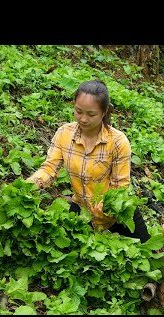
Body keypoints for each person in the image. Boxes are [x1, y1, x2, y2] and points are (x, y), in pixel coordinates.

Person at [26, 79, 150, 243]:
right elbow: (49, 169)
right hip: (82, 211)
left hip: (116, 214)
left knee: (147, 251)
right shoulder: (64, 133)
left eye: (91, 114)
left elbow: (120, 186)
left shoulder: (118, 142)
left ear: (104, 111)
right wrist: (29, 185)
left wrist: (107, 208)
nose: (83, 119)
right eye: (78, 111)